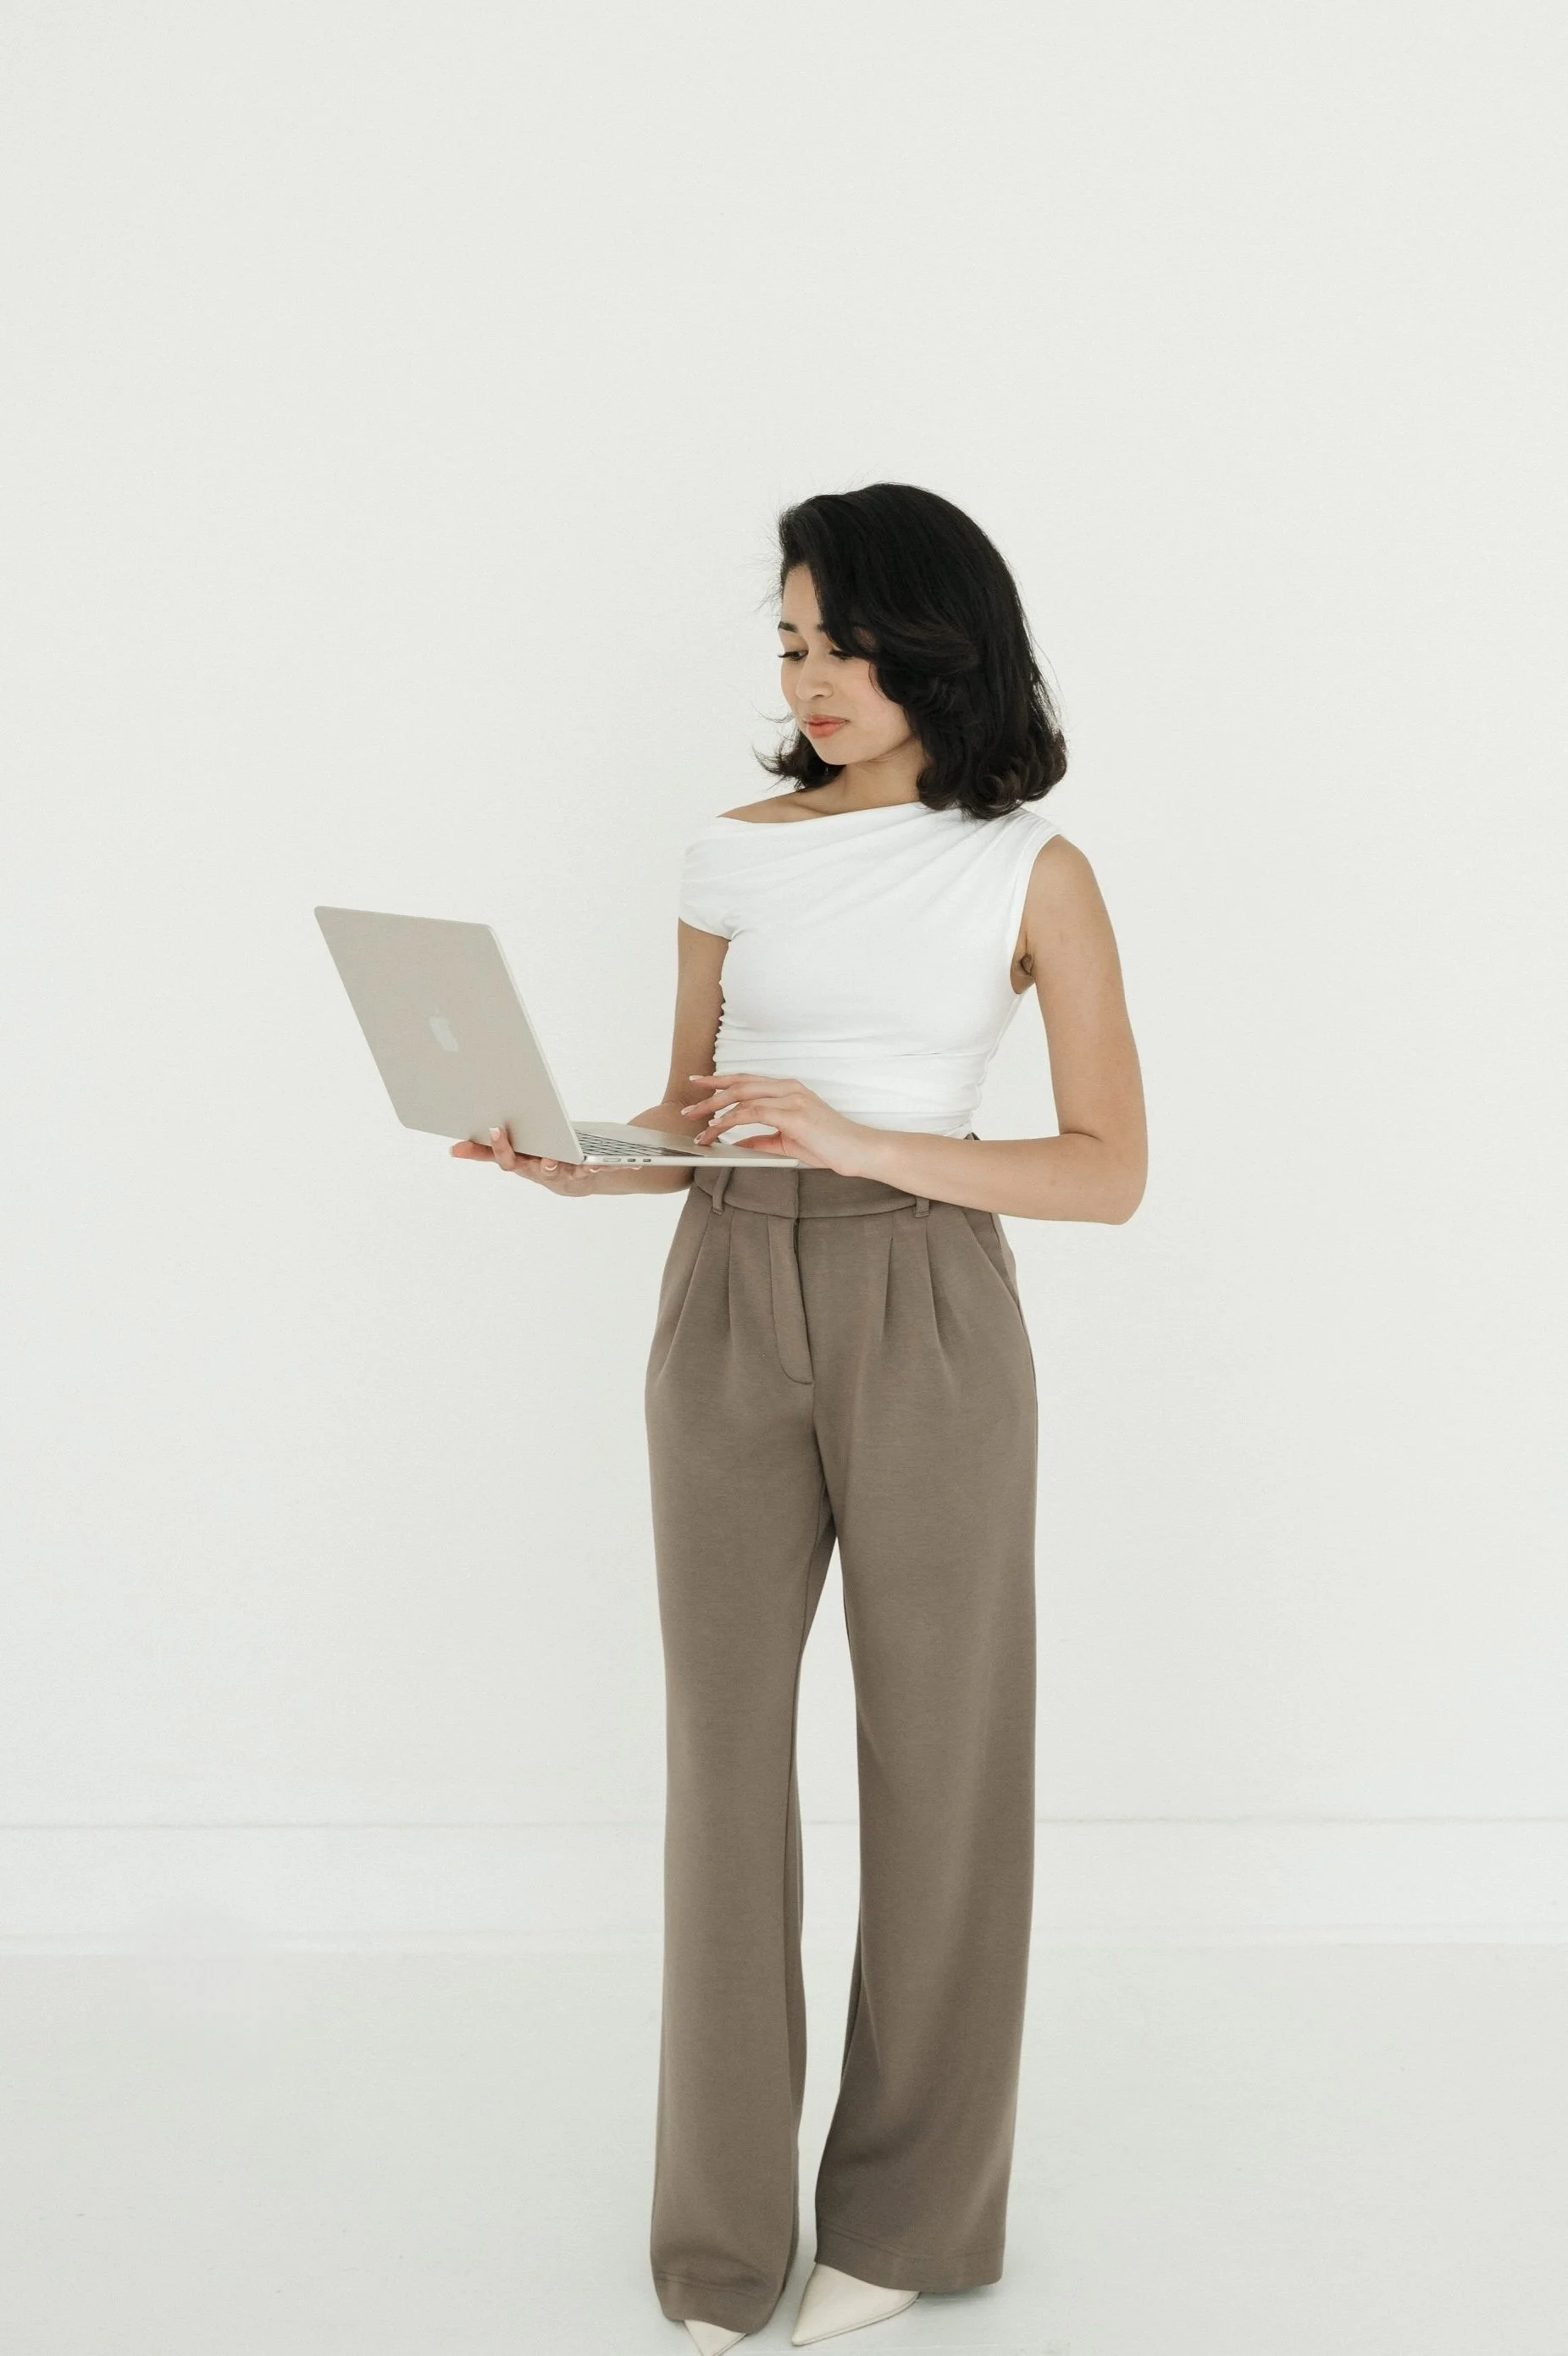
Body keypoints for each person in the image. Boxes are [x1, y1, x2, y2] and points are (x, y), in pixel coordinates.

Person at [453, 483, 1147, 2351]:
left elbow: (1108, 1173)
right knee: (720, 1762)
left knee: (939, 1760)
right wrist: (571, 1159)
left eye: (846, 641)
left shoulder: (1029, 866)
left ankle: (909, 2214)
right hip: (727, 1302)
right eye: (787, 642)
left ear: (941, 643)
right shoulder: (727, 852)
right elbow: (689, 1123)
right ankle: (721, 2239)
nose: (813, 676)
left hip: (927, 1302)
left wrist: (860, 1136)